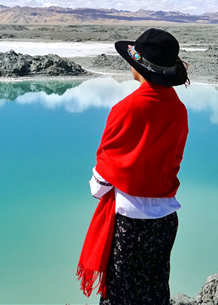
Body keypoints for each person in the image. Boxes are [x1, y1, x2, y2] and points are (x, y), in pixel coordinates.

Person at [77, 28, 190, 305]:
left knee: (120, 294)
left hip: (130, 221)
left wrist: (99, 185)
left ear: (139, 67)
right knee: (154, 289)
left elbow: (105, 170)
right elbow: (172, 159)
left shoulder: (126, 108)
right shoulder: (179, 110)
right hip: (165, 220)